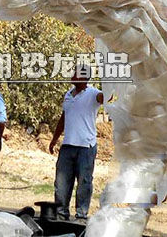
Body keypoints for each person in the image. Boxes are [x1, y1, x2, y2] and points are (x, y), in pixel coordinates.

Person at [48, 64, 104, 221]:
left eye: (77, 73)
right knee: (61, 182)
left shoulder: (93, 94)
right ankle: (61, 213)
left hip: (86, 146)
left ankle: (81, 215)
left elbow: (105, 97)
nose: (73, 75)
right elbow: (64, 118)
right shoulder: (68, 94)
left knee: (84, 182)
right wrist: (54, 139)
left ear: (85, 78)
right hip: (67, 145)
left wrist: (111, 87)